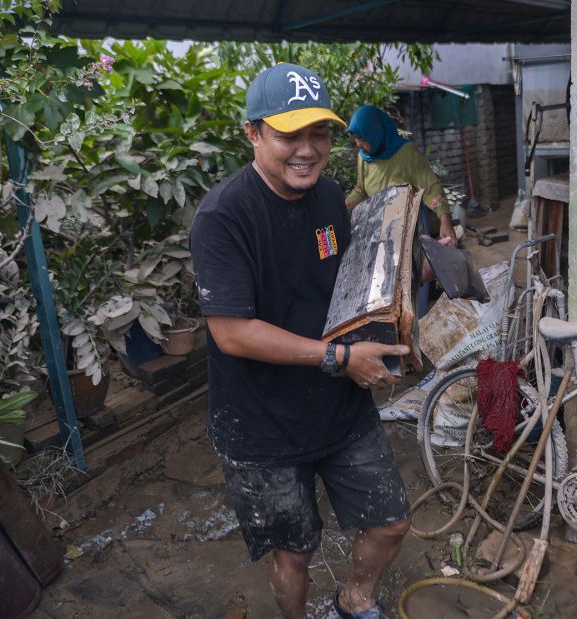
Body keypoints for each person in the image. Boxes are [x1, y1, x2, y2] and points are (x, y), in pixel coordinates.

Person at [189, 63, 412, 619]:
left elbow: (343, 284)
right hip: (261, 423)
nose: (307, 149)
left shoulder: (331, 197)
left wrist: (404, 283)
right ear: (253, 133)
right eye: (290, 134)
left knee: (391, 522)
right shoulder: (223, 217)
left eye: (320, 133)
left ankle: (354, 599)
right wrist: (339, 357)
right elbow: (232, 332)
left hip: (338, 409)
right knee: (294, 552)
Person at [345, 105, 457, 247]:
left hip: (407, 233)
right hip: (378, 231)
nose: (358, 144)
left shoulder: (406, 153)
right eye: (355, 139)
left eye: (361, 138)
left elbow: (431, 188)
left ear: (375, 132)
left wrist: (445, 221)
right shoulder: (364, 158)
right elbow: (361, 189)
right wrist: (345, 205)